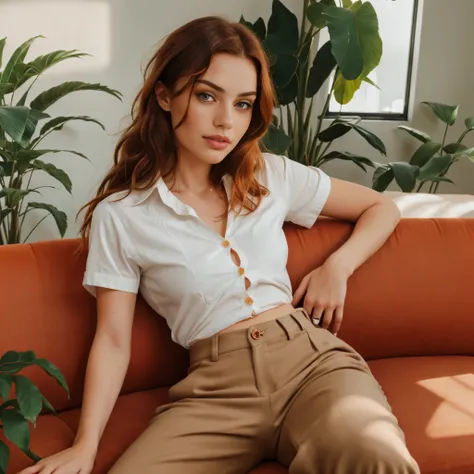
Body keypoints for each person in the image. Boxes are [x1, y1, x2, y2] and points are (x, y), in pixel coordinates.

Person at [18, 15, 420, 474]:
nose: (226, 121)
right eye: (207, 95)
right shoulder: (122, 216)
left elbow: (381, 208)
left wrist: (338, 267)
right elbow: (112, 339)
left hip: (312, 366)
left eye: (244, 104)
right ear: (165, 96)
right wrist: (85, 446)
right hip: (215, 390)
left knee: (376, 455)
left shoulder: (271, 175)